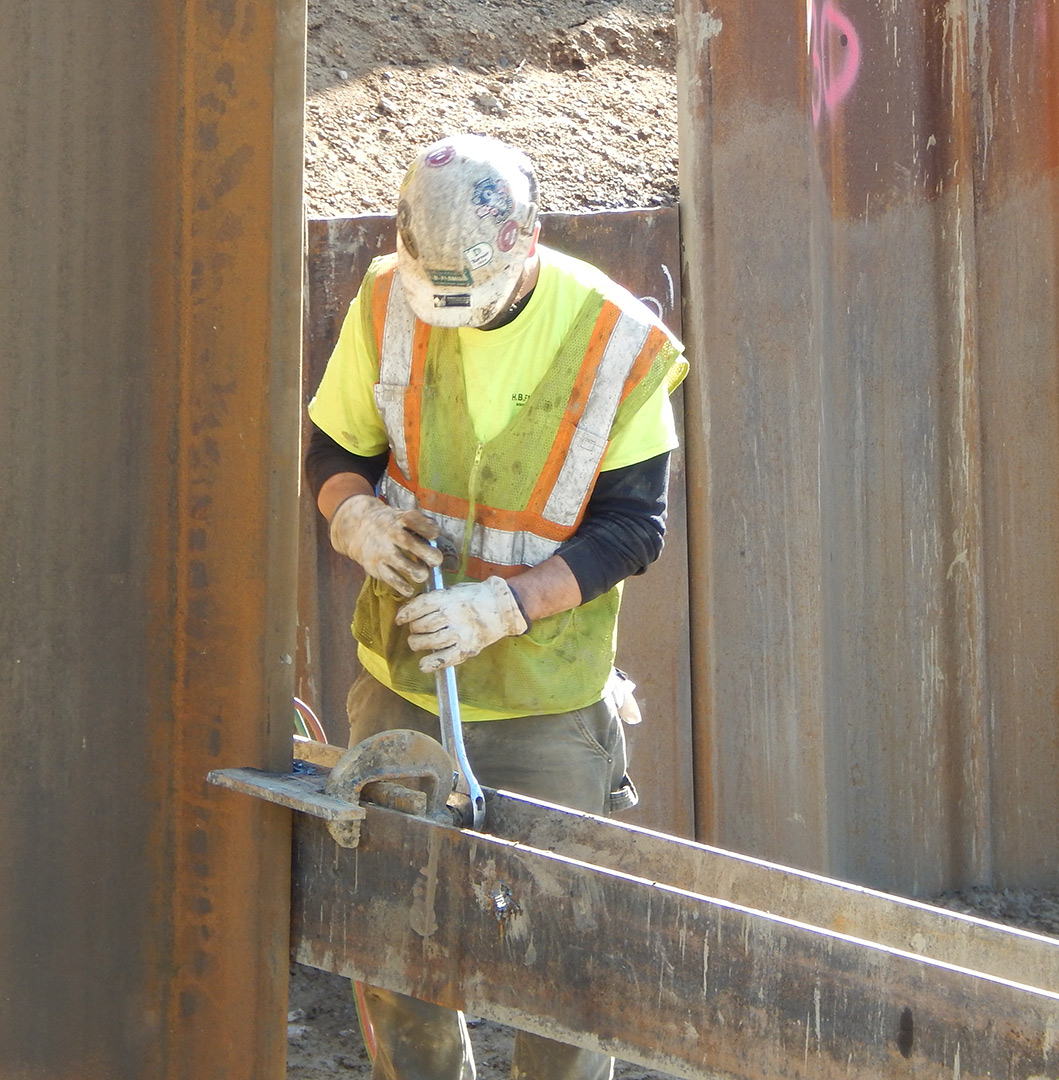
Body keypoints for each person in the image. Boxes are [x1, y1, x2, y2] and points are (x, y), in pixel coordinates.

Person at [304, 133, 688, 1080]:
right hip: (404, 686)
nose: (457, 323)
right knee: (398, 959)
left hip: (547, 704)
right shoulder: (390, 298)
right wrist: (351, 514)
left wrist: (507, 607)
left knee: (565, 975)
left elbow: (634, 527)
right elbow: (333, 450)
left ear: (531, 240)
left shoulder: (615, 343)